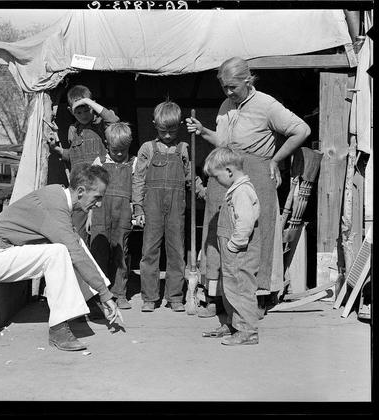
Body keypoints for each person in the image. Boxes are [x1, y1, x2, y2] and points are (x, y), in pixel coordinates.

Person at [186, 56, 311, 318]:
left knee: (255, 233)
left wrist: (276, 159)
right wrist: (203, 131)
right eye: (224, 88)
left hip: (255, 174)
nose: (228, 93)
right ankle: (217, 297)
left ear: (248, 79)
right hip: (224, 173)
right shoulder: (225, 105)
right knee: (217, 230)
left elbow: (302, 129)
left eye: (233, 87)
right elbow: (223, 141)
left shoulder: (266, 105)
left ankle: (256, 297)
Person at [0, 163, 122, 352]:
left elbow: (76, 247)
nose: (99, 204)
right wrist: (105, 293)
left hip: (9, 252)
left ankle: (91, 300)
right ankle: (58, 330)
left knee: (72, 240)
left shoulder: (58, 195)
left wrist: (103, 292)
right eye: (97, 197)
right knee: (59, 252)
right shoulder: (54, 206)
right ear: (80, 191)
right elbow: (75, 254)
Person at [132, 100, 191, 313]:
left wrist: (201, 190)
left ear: (179, 126)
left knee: (176, 250)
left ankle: (175, 296)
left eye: (172, 130)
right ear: (155, 124)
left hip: (176, 205)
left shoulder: (184, 148)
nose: (168, 135)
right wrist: (138, 206)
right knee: (149, 250)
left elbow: (190, 177)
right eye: (163, 130)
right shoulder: (147, 148)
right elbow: (138, 178)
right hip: (152, 205)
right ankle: (150, 297)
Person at [202, 147, 261, 345]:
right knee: (231, 289)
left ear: (229, 171)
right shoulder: (235, 190)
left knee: (242, 289)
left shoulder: (242, 191)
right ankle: (234, 323)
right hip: (232, 253)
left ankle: (248, 331)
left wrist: (234, 244)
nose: (216, 181)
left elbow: (245, 222)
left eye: (217, 177)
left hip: (240, 252)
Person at [50, 84, 120, 244]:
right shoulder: (72, 130)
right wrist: (58, 150)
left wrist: (89, 102)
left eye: (86, 109)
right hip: (79, 190)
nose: (82, 115)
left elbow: (114, 120)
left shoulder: (102, 125)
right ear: (70, 111)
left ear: (92, 106)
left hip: (98, 187)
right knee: (78, 233)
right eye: (78, 112)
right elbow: (72, 154)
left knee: (99, 232)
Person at [89, 122, 137, 310]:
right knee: (99, 252)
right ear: (107, 144)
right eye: (115, 150)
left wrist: (136, 209)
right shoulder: (99, 162)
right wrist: (90, 215)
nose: (118, 154)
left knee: (121, 253)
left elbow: (138, 188)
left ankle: (120, 293)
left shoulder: (133, 163)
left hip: (123, 213)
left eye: (122, 150)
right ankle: (100, 294)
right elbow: (92, 190)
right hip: (101, 212)